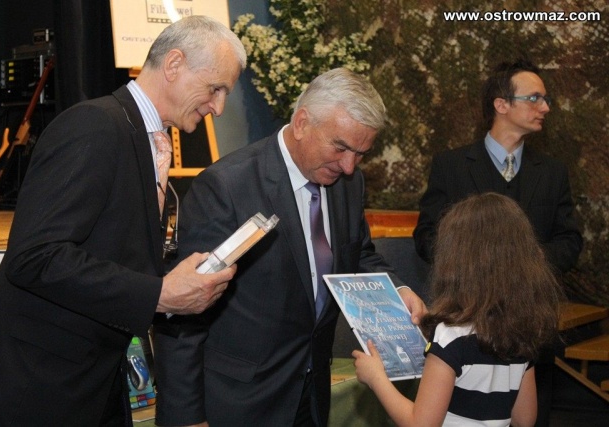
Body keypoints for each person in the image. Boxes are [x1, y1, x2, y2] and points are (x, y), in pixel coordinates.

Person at [0, 15, 246, 426]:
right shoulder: (94, 125)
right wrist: (159, 293)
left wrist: (176, 283)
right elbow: (36, 257)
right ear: (173, 65)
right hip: (33, 385)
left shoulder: (145, 137)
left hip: (90, 382)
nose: (218, 108)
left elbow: (111, 254)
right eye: (215, 89)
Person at [152, 68, 427, 427]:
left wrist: (398, 290)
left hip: (311, 398)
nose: (348, 166)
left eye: (361, 154)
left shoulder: (348, 184)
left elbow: (357, 253)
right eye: (340, 147)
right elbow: (185, 312)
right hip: (240, 403)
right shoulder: (227, 187)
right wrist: (186, 417)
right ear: (301, 123)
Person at [412, 58, 582, 426]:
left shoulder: (553, 172)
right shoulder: (451, 165)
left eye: (546, 99)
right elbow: (426, 237)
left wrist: (522, 261)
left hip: (530, 326)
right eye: (534, 98)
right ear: (501, 104)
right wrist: (474, 261)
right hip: (464, 326)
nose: (545, 107)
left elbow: (570, 242)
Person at [354, 192, 564, 427]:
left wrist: (376, 378)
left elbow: (421, 424)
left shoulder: (451, 337)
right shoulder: (520, 333)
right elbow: (524, 418)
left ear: (455, 262)